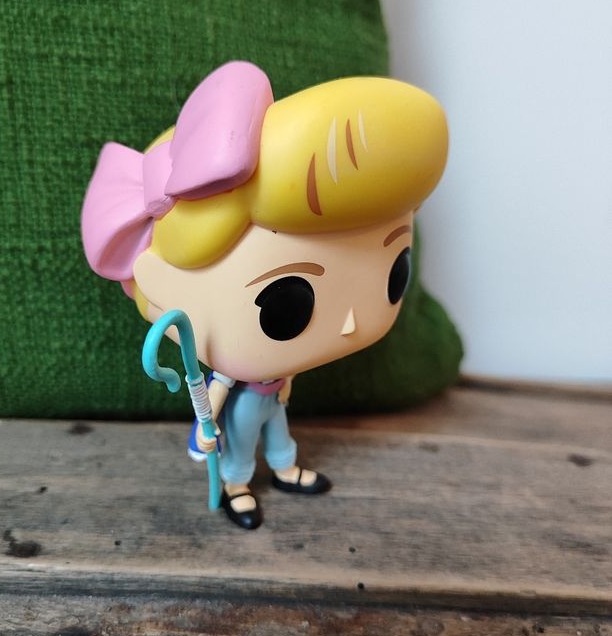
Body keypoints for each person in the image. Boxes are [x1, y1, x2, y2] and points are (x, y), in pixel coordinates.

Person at [81, 61, 448, 529]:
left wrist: (283, 381)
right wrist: (201, 435)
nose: (350, 323)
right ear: (160, 283)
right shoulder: (226, 367)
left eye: (396, 271)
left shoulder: (283, 362)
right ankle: (236, 487)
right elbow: (211, 400)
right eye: (286, 305)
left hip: (275, 394)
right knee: (239, 443)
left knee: (278, 433)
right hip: (244, 401)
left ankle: (284, 468)